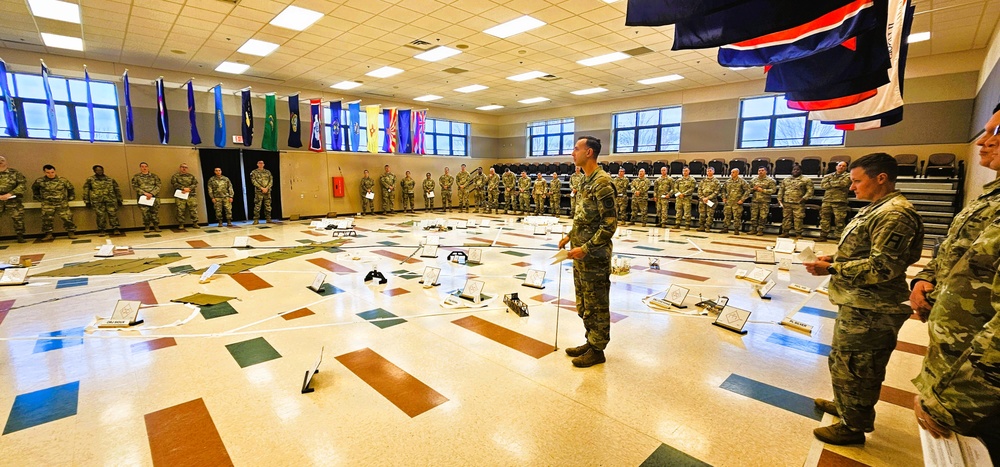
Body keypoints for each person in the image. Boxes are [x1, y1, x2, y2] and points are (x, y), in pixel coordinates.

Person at [804, 152, 924, 445]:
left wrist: (832, 268)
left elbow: (883, 267)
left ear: (880, 178)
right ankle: (846, 405)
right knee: (845, 361)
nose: (851, 187)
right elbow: (863, 251)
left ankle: (853, 427)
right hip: (858, 300)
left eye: (857, 181)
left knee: (861, 367)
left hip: (874, 307)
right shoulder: (876, 209)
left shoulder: (895, 215)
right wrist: (834, 258)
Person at [910, 107, 1000, 462]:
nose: (982, 141)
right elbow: (956, 250)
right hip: (954, 357)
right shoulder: (991, 197)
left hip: (979, 390)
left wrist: (952, 401)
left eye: (995, 133)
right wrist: (926, 277)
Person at [558, 136, 616, 368]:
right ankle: (591, 342)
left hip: (594, 257)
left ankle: (598, 350)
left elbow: (609, 224)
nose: (572, 153)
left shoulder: (602, 182)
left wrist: (586, 248)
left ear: (589, 152)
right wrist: (570, 236)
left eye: (576, 149)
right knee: (584, 303)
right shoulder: (584, 181)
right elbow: (583, 217)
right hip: (580, 255)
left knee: (597, 304)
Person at [32, 164, 77, 241]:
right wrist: (39, 198)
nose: (50, 174)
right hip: (47, 203)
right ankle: (49, 234)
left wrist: (70, 197)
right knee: (47, 219)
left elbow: (70, 188)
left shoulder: (62, 180)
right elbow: (34, 189)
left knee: (67, 218)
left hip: (61, 203)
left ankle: (71, 232)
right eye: (48, 172)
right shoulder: (40, 181)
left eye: (52, 172)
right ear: (44, 172)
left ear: (55, 171)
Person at [82, 165, 123, 236]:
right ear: (94, 171)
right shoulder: (90, 180)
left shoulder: (110, 179)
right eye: (97, 170)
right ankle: (101, 230)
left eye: (101, 170)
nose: (99, 171)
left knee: (113, 214)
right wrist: (87, 201)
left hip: (110, 200)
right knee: (100, 216)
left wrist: (119, 199)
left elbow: (116, 189)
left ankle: (115, 228)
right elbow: (86, 190)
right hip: (98, 201)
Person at [778, 163, 813, 238]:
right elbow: (781, 190)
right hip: (787, 202)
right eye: (794, 169)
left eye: (797, 169)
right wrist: (779, 199)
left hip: (798, 202)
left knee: (798, 219)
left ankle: (798, 233)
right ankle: (785, 232)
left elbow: (810, 191)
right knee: (786, 218)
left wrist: (804, 198)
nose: (795, 171)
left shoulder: (806, 180)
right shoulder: (786, 179)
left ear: (801, 170)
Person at [819, 161, 851, 242]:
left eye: (843, 166)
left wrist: (830, 183)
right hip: (827, 200)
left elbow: (843, 184)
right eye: (839, 165)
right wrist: (836, 184)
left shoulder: (848, 176)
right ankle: (823, 236)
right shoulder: (828, 175)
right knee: (824, 219)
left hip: (840, 201)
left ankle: (839, 237)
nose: (841, 167)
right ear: (836, 167)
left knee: (839, 220)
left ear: (846, 168)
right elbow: (823, 185)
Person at [0, 156, 27, 243]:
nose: (0, 162)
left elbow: (22, 185)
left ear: (6, 162)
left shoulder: (15, 173)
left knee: (18, 218)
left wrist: (10, 194)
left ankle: (20, 236)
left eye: (2, 160)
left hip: (13, 200)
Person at [131, 162, 161, 233]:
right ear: (140, 168)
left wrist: (151, 193)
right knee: (145, 213)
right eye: (142, 166)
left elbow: (158, 186)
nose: (144, 168)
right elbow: (135, 186)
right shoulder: (136, 177)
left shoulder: (154, 176)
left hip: (153, 197)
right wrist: (144, 193)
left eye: (145, 166)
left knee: (154, 212)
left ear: (148, 167)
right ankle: (147, 227)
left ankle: (156, 226)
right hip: (143, 197)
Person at [170, 163, 199, 230]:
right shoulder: (175, 176)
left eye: (185, 167)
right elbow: (174, 184)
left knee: (193, 209)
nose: (184, 168)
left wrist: (189, 189)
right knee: (180, 210)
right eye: (182, 167)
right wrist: (183, 188)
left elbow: (195, 184)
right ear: (180, 168)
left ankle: (195, 223)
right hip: (180, 195)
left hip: (191, 195)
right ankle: (181, 224)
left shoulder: (191, 176)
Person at [749, 166, 776, 236]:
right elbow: (748, 190)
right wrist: (753, 189)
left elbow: (773, 190)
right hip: (755, 201)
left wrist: (763, 190)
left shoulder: (770, 180)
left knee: (763, 216)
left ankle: (760, 230)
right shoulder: (753, 180)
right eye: (759, 170)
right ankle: (753, 229)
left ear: (766, 171)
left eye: (762, 170)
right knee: (753, 216)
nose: (760, 172)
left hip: (764, 202)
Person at [722, 168, 749, 235]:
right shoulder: (727, 181)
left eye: (733, 172)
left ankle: (736, 229)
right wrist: (724, 197)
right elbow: (723, 190)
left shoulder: (742, 181)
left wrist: (742, 199)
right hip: (728, 202)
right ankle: (725, 228)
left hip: (737, 202)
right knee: (727, 215)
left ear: (737, 173)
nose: (732, 174)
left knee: (737, 216)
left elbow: (747, 191)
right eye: (731, 172)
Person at [697, 167, 721, 232]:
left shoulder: (716, 181)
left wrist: (708, 198)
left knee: (710, 214)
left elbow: (717, 191)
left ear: (713, 172)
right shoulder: (703, 181)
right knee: (702, 214)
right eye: (707, 171)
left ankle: (708, 227)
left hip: (711, 200)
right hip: (703, 200)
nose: (708, 172)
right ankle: (701, 226)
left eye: (710, 171)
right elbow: (699, 190)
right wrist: (702, 198)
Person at [250, 160, 273, 224]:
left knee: (268, 205)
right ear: (257, 164)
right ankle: (256, 219)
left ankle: (268, 218)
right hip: (259, 192)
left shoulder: (268, 172)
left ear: (264, 164)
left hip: (267, 191)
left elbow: (271, 181)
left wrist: (267, 188)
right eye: (259, 163)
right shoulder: (254, 172)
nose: (261, 164)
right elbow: (253, 181)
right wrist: (261, 188)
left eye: (262, 163)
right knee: (257, 206)